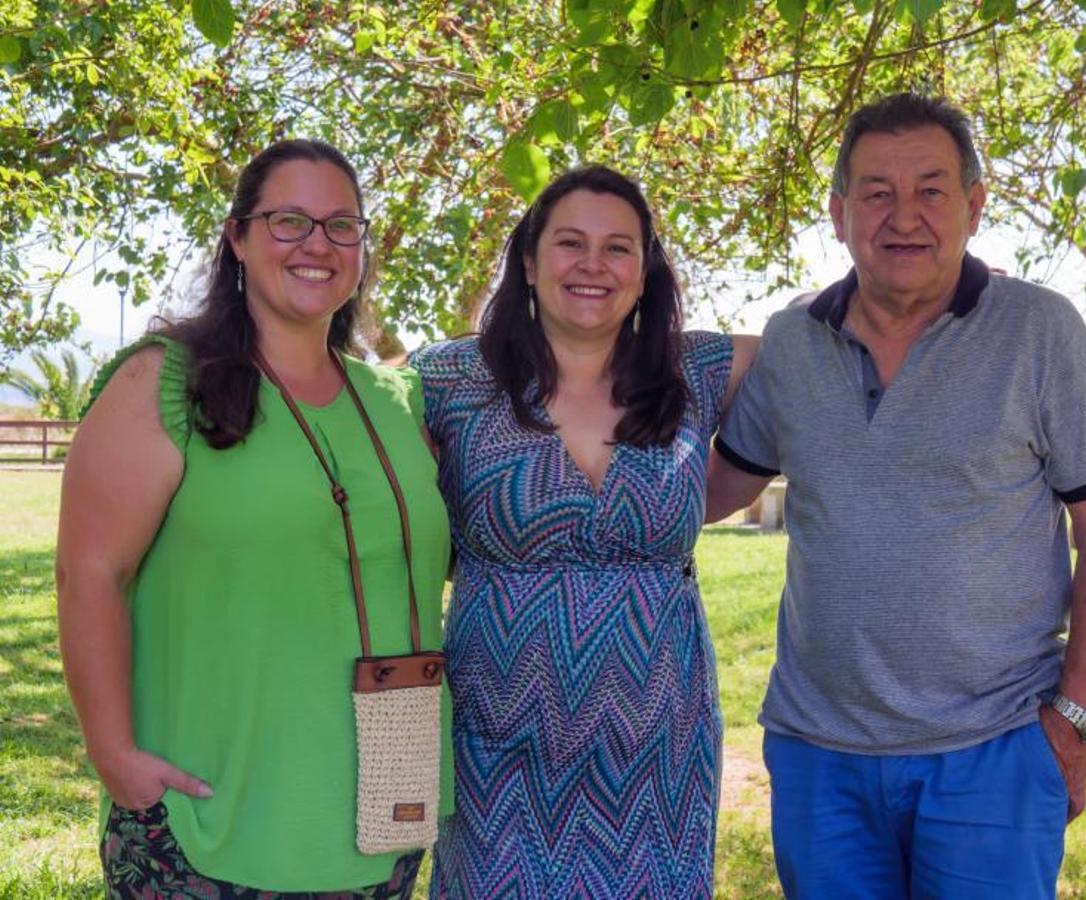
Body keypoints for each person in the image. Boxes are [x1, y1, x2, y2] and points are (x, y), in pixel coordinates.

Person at [706, 93, 1086, 898]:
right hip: (819, 758)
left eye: (931, 190)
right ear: (839, 214)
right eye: (876, 192)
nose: (903, 216)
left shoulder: (1041, 332)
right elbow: (708, 491)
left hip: (997, 751)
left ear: (974, 207)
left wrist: (1076, 721)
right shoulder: (792, 340)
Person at [56, 139, 451, 897]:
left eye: (343, 226)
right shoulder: (164, 381)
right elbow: (90, 574)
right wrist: (115, 757)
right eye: (289, 220)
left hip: (380, 817)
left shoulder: (397, 402)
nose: (318, 245)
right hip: (208, 823)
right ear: (237, 237)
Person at [410, 165, 757, 898]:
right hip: (497, 748)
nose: (593, 265)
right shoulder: (445, 381)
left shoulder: (694, 369)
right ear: (529, 263)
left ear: (644, 273)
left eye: (618, 248)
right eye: (571, 243)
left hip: (658, 752)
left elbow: (826, 343)